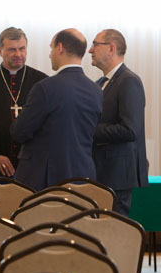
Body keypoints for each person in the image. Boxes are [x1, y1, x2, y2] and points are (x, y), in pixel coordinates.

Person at [11, 28, 102, 191]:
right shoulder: (95, 90)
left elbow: (19, 132)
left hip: (45, 178)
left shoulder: (45, 88)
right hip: (83, 176)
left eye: (51, 48)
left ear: (60, 48)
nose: (50, 54)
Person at [0, 27, 47, 179]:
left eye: (22, 48)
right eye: (12, 49)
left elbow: (45, 123)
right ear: (0, 51)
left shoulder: (41, 81)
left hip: (31, 164)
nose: (18, 54)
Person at [89, 29, 148, 216]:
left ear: (111, 48)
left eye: (95, 44)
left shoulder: (129, 81)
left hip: (117, 175)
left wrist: (90, 131)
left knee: (113, 232)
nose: (90, 50)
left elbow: (130, 130)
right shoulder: (100, 82)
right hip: (101, 171)